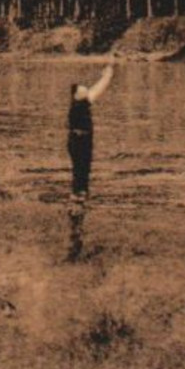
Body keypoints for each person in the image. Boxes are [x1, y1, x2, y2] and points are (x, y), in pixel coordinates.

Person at [65, 56, 116, 262]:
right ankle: (77, 214)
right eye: (82, 88)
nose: (85, 88)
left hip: (78, 144)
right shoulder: (80, 105)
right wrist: (109, 72)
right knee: (81, 179)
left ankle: (77, 210)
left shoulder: (78, 104)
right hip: (80, 145)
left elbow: (96, 88)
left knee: (80, 178)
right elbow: (98, 89)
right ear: (77, 95)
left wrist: (107, 73)